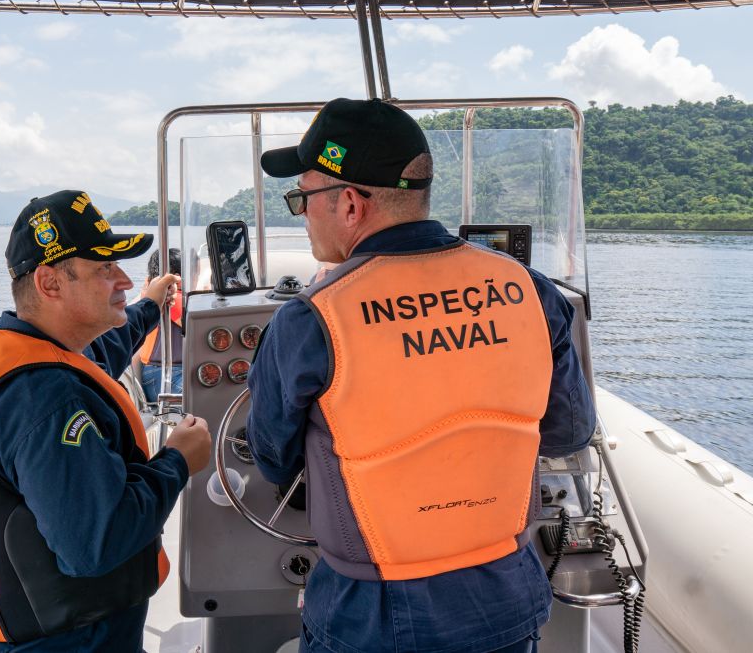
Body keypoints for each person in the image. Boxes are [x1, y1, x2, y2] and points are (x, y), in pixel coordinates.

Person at [246, 98, 596, 653]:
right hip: (506, 598)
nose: (302, 212)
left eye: (302, 197)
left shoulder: (312, 319)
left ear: (352, 204)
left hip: (371, 615)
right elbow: (567, 433)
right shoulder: (531, 290)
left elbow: (273, 459)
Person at [0, 189, 211, 653]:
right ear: (50, 284)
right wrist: (178, 462)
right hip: (73, 641)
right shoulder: (45, 400)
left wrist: (149, 305)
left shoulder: (16, 347)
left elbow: (97, 356)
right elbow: (94, 544)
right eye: (105, 269)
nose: (123, 279)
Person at [137, 248, 184, 403]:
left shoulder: (151, 295)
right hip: (162, 374)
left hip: (168, 371)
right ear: (176, 277)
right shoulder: (171, 298)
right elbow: (196, 326)